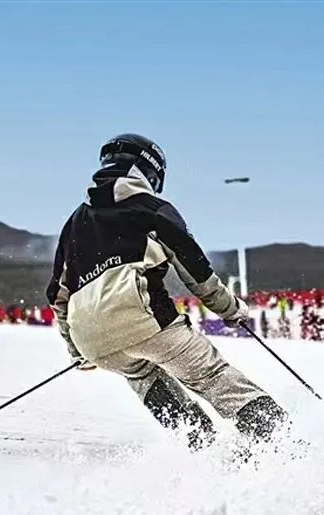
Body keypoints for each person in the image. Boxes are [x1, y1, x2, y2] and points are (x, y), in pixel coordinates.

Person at [46, 133, 286, 449]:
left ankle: (207, 451)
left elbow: (58, 296)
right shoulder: (152, 207)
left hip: (91, 339)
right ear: (150, 173)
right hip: (144, 318)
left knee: (145, 378)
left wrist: (77, 350)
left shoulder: (74, 222)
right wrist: (230, 310)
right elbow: (195, 270)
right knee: (211, 377)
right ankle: (289, 446)